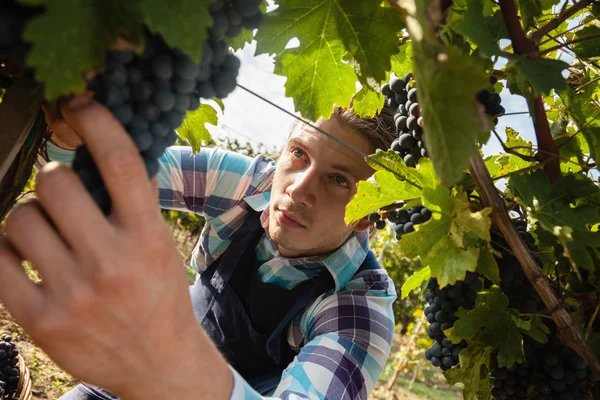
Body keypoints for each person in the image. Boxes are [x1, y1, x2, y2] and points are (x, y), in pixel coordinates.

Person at [0, 95, 398, 400]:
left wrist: (169, 354)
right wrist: (71, 137)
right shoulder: (245, 185)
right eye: (299, 154)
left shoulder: (360, 311)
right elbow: (100, 171)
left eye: (339, 181)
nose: (299, 188)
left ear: (368, 213)